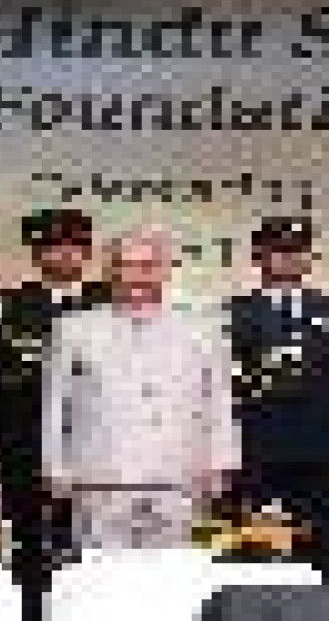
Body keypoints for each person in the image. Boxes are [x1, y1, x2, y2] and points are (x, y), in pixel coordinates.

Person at [42, 228, 239, 549]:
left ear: (165, 271)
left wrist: (221, 463)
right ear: (110, 272)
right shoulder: (73, 328)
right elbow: (54, 404)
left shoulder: (204, 328)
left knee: (175, 569)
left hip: (180, 474)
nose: (136, 276)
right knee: (103, 570)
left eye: (148, 266)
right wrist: (54, 467)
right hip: (101, 476)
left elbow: (219, 399)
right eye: (126, 265)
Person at [225, 216, 329, 569]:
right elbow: (221, 387)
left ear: (310, 258)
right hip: (256, 450)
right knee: (257, 549)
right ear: (258, 256)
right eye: (278, 250)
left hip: (323, 453)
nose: (289, 258)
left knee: (320, 549)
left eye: (297, 250)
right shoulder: (231, 314)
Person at [0, 209, 110, 617]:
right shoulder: (5, 307)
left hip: (101, 445)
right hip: (26, 445)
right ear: (36, 253)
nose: (64, 255)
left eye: (74, 246)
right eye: (52, 247)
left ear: (87, 252)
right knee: (29, 542)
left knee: (97, 546)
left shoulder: (113, 304)